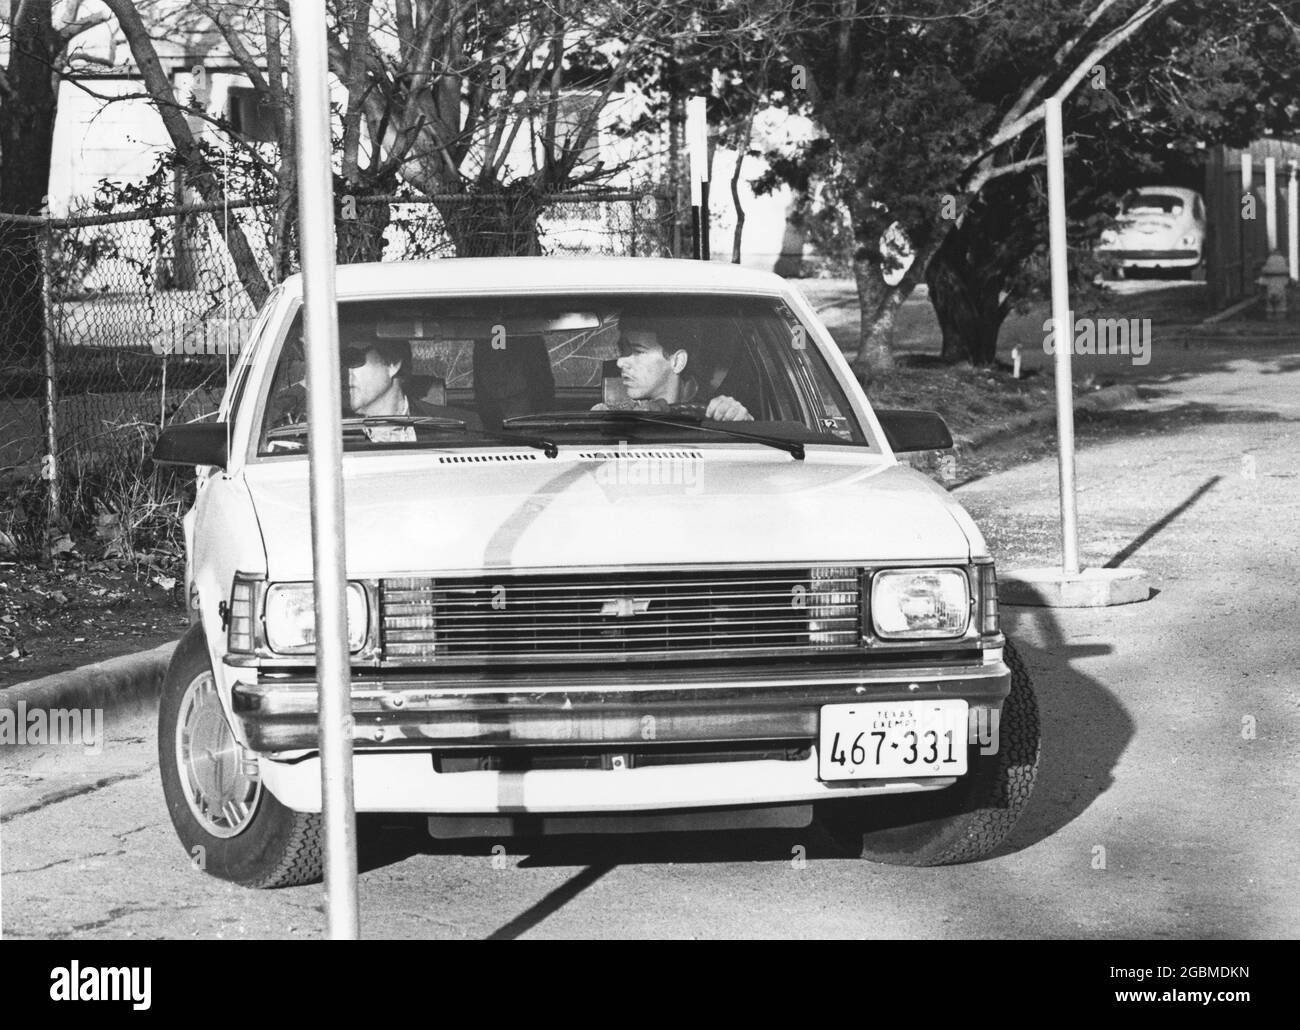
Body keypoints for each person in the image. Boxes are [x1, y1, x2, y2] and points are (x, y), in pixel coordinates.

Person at [595, 323, 752, 421]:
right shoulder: (612, 411)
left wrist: (739, 418)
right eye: (623, 350)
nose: (620, 361)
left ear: (677, 362)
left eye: (638, 351)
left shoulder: (714, 412)